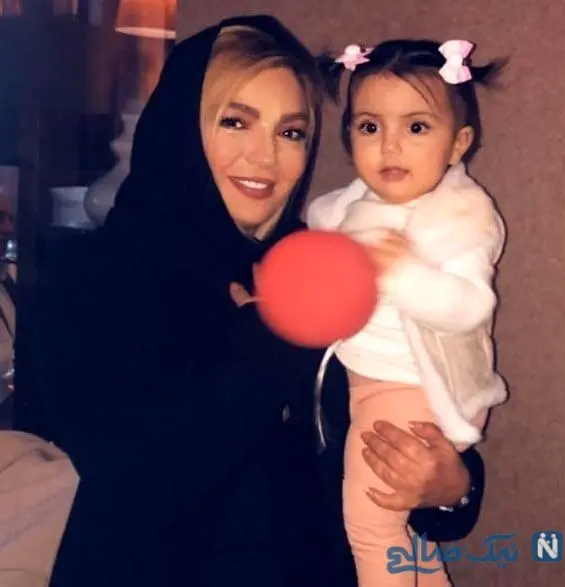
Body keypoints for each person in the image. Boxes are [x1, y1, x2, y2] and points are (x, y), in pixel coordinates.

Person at [18, 16, 484, 587]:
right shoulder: (95, 274)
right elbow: (139, 477)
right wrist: (274, 333)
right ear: (181, 129)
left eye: (291, 133)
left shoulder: (320, 258)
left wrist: (452, 488)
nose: (265, 157)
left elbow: (394, 406)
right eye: (236, 121)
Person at [306, 39, 508, 586]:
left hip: (411, 389)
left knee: (371, 529)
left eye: (416, 127)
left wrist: (402, 275)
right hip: (370, 384)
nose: (390, 145)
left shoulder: (458, 218)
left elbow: (471, 306)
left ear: (458, 143)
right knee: (411, 542)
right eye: (370, 127)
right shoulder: (351, 207)